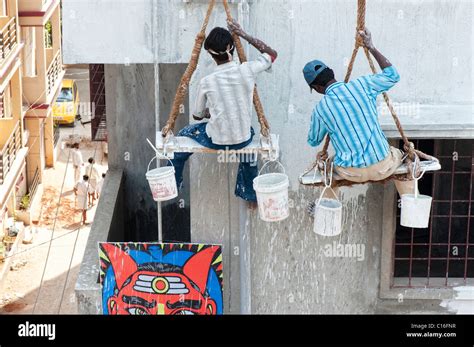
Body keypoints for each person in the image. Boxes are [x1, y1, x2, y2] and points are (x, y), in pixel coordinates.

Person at [170, 19, 278, 204]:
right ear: (231, 48)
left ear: (210, 54)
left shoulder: (207, 81)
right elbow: (271, 54)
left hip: (217, 140)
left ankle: (172, 182)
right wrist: (242, 34)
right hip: (242, 139)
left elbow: (197, 114)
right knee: (249, 145)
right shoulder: (247, 70)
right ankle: (250, 195)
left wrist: (209, 113)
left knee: (181, 137)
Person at [303, 28, 415, 198]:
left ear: (317, 88)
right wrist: (371, 47)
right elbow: (393, 76)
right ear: (332, 73)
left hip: (350, 172)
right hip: (383, 166)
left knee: (327, 171)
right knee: (406, 159)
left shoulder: (320, 110)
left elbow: (313, 141)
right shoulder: (363, 85)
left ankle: (330, 218)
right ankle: (410, 207)